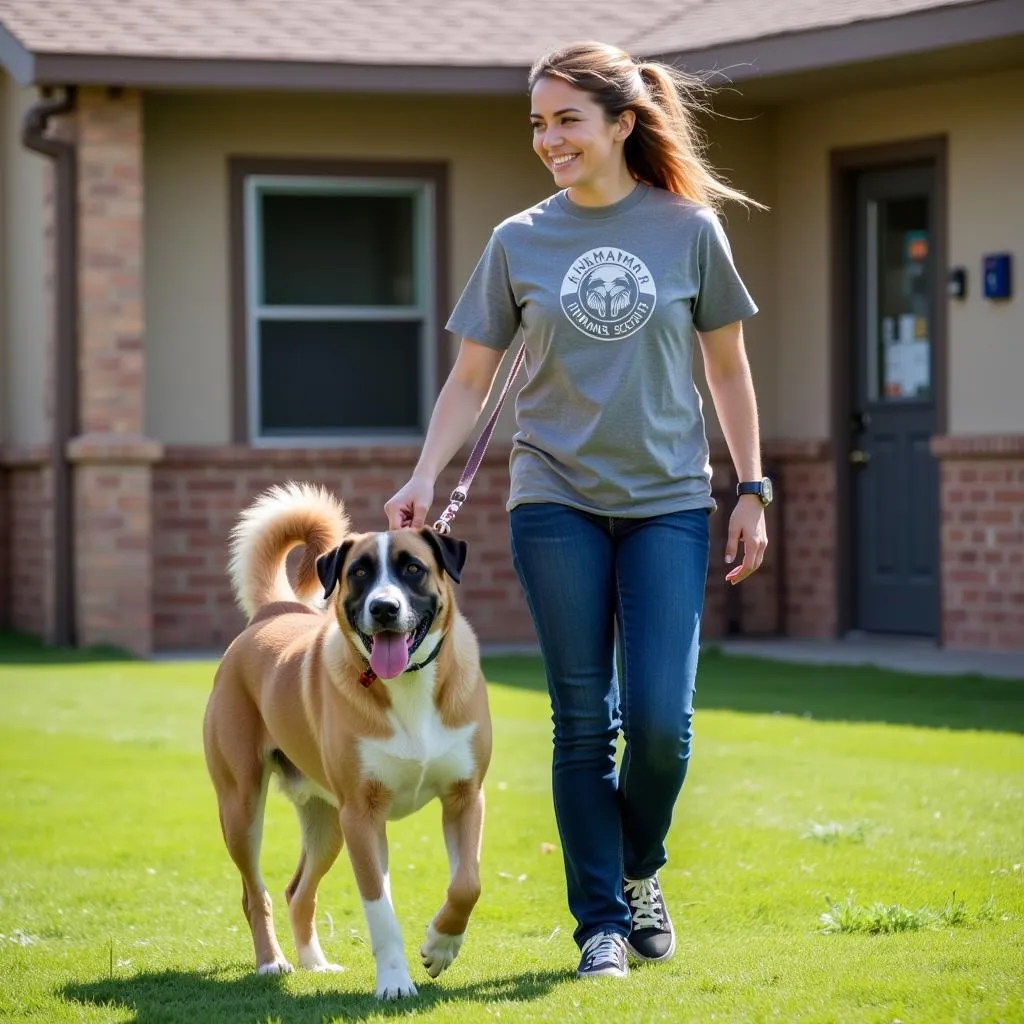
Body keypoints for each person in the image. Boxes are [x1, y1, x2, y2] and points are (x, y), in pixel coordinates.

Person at [384, 40, 770, 980]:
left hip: (669, 502)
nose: (549, 139)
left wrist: (751, 488)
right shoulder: (519, 240)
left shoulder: (688, 230)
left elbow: (727, 367)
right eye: (538, 123)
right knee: (581, 721)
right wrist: (425, 474)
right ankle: (600, 923)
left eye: (567, 120)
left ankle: (638, 868)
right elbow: (470, 377)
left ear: (621, 125)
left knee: (662, 725)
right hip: (552, 497)